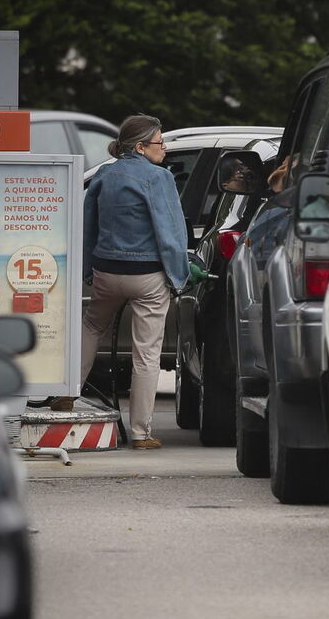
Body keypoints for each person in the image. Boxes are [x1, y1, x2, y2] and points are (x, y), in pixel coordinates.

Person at [51, 114, 196, 450]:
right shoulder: (159, 178)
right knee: (146, 353)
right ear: (141, 146)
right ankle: (142, 434)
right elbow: (172, 233)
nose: (165, 148)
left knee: (91, 327)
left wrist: (88, 270)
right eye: (160, 142)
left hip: (107, 272)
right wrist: (179, 277)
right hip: (147, 277)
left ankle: (67, 393)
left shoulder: (104, 174)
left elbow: (88, 225)